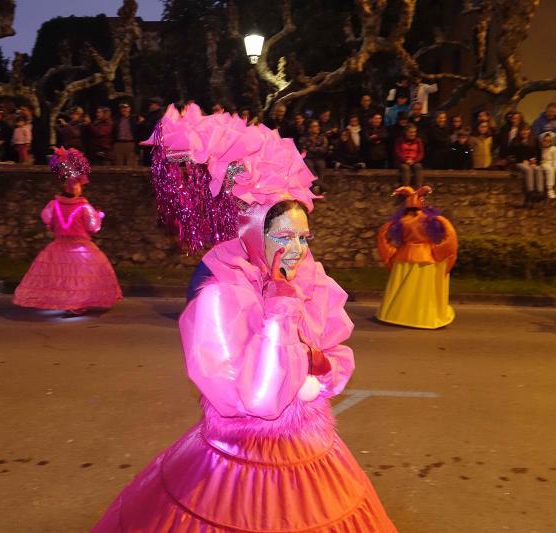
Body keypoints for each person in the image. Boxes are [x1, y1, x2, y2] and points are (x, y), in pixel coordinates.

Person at [94, 102, 398, 532]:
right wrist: (279, 309)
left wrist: (321, 371)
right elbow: (258, 400)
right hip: (239, 463)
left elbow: (336, 353)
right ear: (254, 235)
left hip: (310, 448)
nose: (297, 250)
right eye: (284, 237)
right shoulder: (219, 297)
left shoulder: (310, 280)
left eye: (304, 237)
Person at [13, 147, 122, 313]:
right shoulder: (84, 207)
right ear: (77, 187)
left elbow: (46, 218)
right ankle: (76, 303)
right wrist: (99, 216)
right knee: (79, 277)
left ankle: (65, 301)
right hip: (81, 248)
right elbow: (93, 227)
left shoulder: (53, 205)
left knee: (60, 277)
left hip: (59, 245)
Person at [376, 186, 457, 329]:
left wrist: (389, 253)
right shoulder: (432, 219)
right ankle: (423, 317)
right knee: (423, 289)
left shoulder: (401, 221)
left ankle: (396, 315)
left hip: (404, 256)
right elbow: (449, 234)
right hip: (427, 257)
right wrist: (442, 252)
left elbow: (383, 234)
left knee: (403, 288)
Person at [507, 124, 542, 206]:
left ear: (530, 131)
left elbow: (538, 154)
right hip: (519, 163)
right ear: (519, 131)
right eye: (522, 130)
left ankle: (540, 192)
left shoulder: (534, 140)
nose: (524, 132)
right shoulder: (515, 141)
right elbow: (512, 155)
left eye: (526, 130)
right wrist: (523, 160)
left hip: (532, 163)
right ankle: (531, 191)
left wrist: (534, 161)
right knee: (528, 169)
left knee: (538, 169)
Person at [299, 119, 329, 187]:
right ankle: (320, 186)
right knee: (307, 163)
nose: (318, 127)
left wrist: (311, 149)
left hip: (319, 158)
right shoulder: (303, 138)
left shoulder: (322, 138)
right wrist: (317, 149)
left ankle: (318, 186)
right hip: (308, 159)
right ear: (309, 129)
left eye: (318, 126)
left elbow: (324, 150)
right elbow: (304, 151)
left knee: (321, 164)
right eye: (315, 126)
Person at [539, 131, 556, 201]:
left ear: (551, 141)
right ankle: (550, 189)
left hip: (553, 164)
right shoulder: (540, 149)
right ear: (542, 141)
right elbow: (539, 159)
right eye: (545, 141)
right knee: (550, 169)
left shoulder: (554, 149)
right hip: (544, 164)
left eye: (549, 141)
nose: (547, 142)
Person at [112, 102, 139, 166]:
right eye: (122, 108)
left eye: (125, 107)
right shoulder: (116, 119)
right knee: (118, 166)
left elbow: (138, 132)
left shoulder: (135, 119)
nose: (123, 109)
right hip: (118, 144)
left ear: (129, 109)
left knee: (131, 166)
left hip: (130, 144)